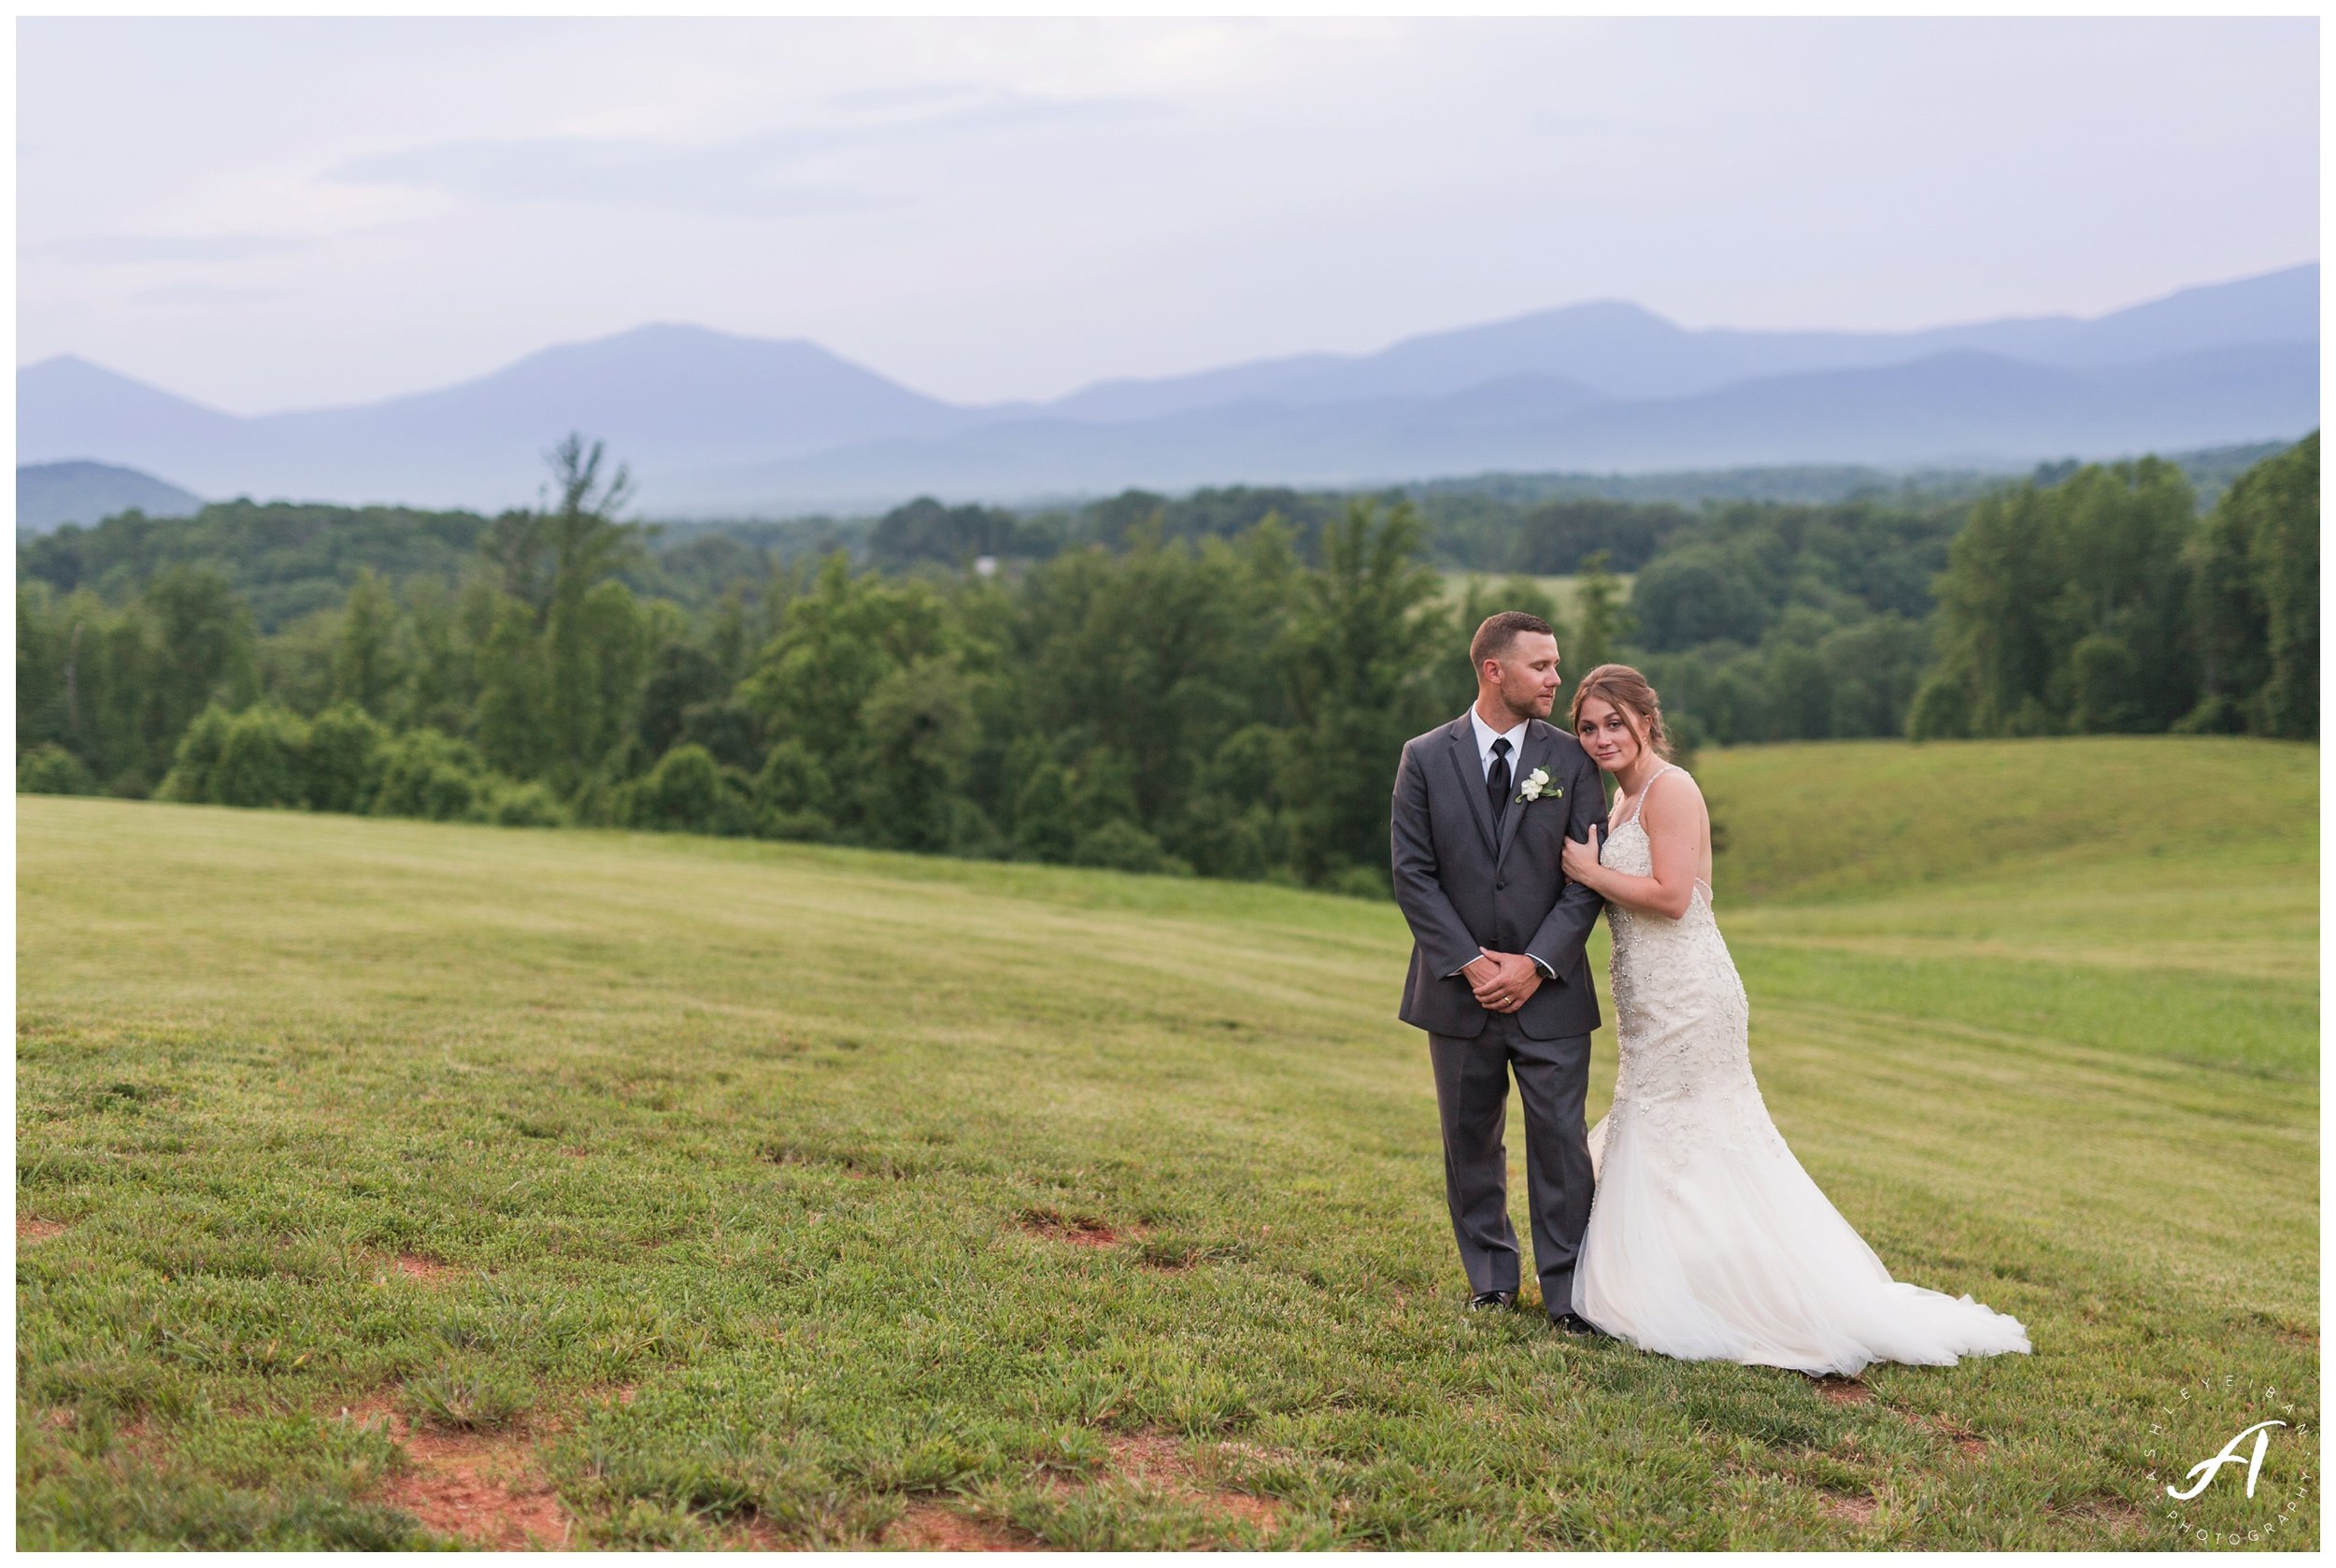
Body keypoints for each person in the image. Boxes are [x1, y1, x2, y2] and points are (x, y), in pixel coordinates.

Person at [1556, 663, 2032, 1376]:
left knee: (1692, 1127)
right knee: (1658, 1123)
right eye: (1588, 727)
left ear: (1647, 722)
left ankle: (1733, 1295)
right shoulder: (1619, 806)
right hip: (1645, 997)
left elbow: (1675, 895)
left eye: (1614, 722)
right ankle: (1680, 1275)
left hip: (1691, 993)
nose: (1601, 738)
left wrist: (1591, 874)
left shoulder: (1670, 789)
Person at [1388, 612, 1610, 1333]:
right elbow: (1413, 876)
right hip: (1458, 993)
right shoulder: (1423, 757)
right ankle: (1490, 1279)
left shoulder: (1574, 762)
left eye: (1555, 666)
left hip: (1551, 995)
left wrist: (1537, 964)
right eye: (1542, 667)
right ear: (1494, 671)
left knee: (1560, 1143)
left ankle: (1569, 1295)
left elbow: (1586, 882)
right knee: (1469, 1140)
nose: (1555, 679)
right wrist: (1474, 963)